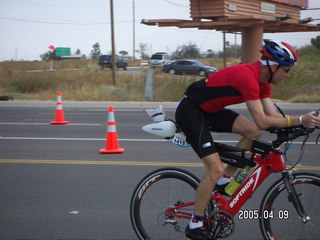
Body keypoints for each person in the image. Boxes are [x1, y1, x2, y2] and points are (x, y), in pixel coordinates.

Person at [175, 39, 320, 240]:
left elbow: (273, 118)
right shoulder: (248, 77)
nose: (288, 75)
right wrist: (299, 119)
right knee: (214, 169)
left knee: (252, 133)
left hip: (210, 111)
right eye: (286, 70)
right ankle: (195, 224)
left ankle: (225, 180)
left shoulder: (264, 83)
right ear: (274, 65)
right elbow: (262, 120)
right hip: (191, 111)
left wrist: (302, 124)